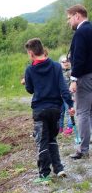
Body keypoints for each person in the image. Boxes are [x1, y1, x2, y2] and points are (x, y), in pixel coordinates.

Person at [24, 38, 75, 183]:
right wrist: (70, 105)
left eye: (28, 53)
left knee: (42, 141)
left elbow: (30, 89)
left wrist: (26, 81)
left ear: (31, 53)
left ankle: (44, 174)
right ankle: (59, 169)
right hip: (55, 109)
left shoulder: (30, 70)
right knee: (52, 139)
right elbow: (63, 88)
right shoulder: (56, 66)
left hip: (40, 110)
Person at [66, 4, 92, 159]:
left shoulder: (81, 32)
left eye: (69, 18)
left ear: (77, 15)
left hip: (85, 77)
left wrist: (74, 79)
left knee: (82, 112)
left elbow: (80, 58)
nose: (69, 22)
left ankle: (83, 149)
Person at [58, 55, 73, 135]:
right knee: (60, 112)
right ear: (60, 63)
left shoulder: (72, 71)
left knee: (68, 111)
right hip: (60, 95)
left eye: (67, 61)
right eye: (63, 62)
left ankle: (69, 127)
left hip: (68, 95)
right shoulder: (59, 72)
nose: (66, 63)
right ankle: (60, 127)